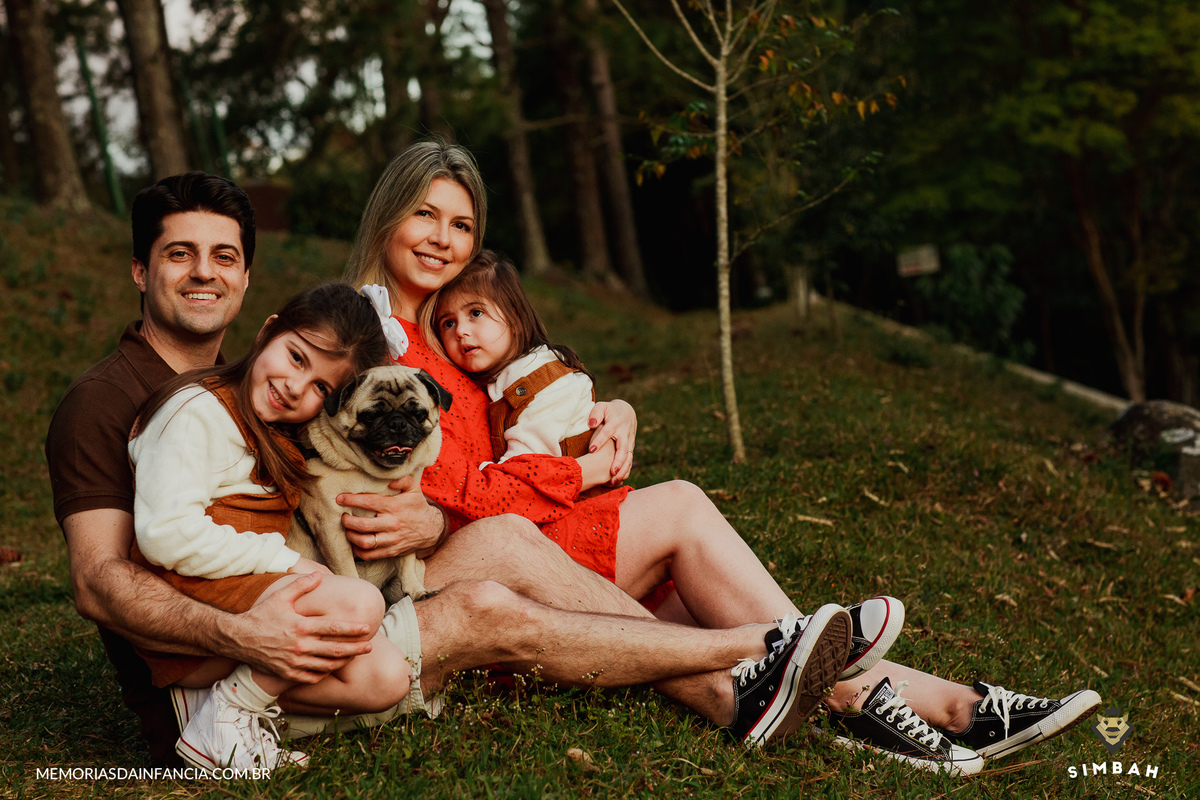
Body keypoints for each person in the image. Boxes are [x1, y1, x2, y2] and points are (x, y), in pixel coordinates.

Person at [342, 138, 1103, 776]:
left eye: (462, 224)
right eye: (425, 215)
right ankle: (858, 697)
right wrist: (574, 475)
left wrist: (609, 407)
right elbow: (445, 491)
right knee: (676, 511)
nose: (444, 238)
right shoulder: (367, 336)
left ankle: (944, 705)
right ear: (386, 217)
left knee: (692, 573)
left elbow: (520, 408)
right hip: (478, 561)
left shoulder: (442, 332)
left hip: (529, 531)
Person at [46, 171, 854, 767]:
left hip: (326, 606)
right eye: (179, 254)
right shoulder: (109, 401)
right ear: (140, 272)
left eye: (223, 255)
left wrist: (607, 409)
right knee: (492, 604)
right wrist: (244, 633)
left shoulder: (264, 379)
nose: (203, 271)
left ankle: (772, 679)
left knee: (501, 544)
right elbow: (99, 584)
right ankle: (745, 665)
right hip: (246, 670)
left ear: (251, 281)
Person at [128, 284, 410, 771]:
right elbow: (164, 534)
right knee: (359, 599)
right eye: (297, 357)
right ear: (266, 332)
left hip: (233, 598)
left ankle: (213, 705)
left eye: (322, 387)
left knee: (387, 678)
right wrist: (291, 565)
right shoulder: (196, 412)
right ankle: (230, 710)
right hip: (185, 605)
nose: (297, 387)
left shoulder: (271, 431)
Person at [422, 250, 602, 469]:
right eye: (448, 323)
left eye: (475, 313)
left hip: (580, 497)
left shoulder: (545, 382)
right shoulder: (499, 378)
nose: (460, 331)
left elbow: (525, 466)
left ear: (515, 318)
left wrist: (471, 478)